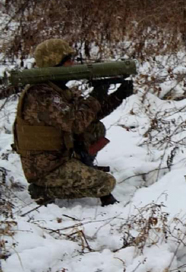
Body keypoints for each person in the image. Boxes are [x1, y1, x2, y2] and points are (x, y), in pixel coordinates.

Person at [12, 39, 133, 207]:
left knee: (95, 129)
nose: (74, 64)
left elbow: (90, 115)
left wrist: (118, 95)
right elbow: (76, 123)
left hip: (60, 156)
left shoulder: (58, 89)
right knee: (106, 183)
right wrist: (97, 94)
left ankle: (81, 165)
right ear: (55, 63)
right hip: (45, 168)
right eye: (69, 60)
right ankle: (43, 190)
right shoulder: (41, 94)